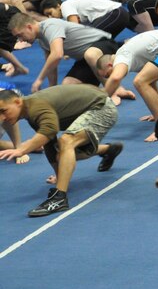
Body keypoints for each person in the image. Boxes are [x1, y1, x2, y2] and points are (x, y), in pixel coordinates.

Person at [0, 85, 121, 217]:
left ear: (18, 102)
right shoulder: (30, 114)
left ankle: (59, 199)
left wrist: (22, 149)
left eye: (3, 111)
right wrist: (60, 176)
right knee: (61, 153)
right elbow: (48, 143)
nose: (2, 118)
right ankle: (109, 149)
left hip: (102, 108)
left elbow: (50, 130)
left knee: (66, 141)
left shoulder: (35, 107)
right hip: (87, 109)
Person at [8, 13, 121, 96]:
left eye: (20, 35)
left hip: (105, 46)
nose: (21, 40)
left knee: (90, 54)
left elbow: (57, 54)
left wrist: (39, 80)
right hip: (85, 60)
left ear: (29, 27)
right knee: (67, 86)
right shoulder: (42, 40)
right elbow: (52, 65)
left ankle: (112, 91)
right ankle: (101, 93)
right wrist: (52, 91)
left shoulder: (50, 26)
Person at [40, 0, 130, 38]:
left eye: (50, 12)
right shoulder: (71, 5)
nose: (50, 17)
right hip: (120, 14)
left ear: (58, 6)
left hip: (116, 14)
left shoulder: (65, 6)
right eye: (47, 16)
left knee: (90, 37)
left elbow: (74, 29)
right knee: (103, 44)